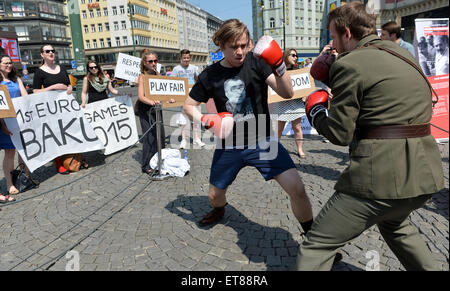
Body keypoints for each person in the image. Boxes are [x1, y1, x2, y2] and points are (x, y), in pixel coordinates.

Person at [298, 2, 444, 271]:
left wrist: (316, 111)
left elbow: (340, 134)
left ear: (347, 33)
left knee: (316, 245)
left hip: (380, 178)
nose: (333, 45)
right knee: (396, 225)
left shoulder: (350, 64)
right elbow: (382, 98)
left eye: (333, 37)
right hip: (424, 174)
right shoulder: (404, 55)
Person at [182, 19, 314, 236]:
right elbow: (188, 107)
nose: (240, 52)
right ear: (221, 45)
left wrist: (279, 66)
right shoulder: (209, 75)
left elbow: (288, 93)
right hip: (230, 144)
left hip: (262, 140)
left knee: (297, 189)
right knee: (215, 196)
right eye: (234, 47)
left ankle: (312, 236)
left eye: (244, 45)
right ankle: (220, 209)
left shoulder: (257, 62)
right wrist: (208, 121)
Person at [33, 44, 73, 175]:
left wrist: (69, 88)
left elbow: (68, 84)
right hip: (50, 109)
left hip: (65, 107)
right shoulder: (39, 72)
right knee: (55, 135)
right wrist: (52, 87)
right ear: (42, 54)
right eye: (47, 51)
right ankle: (58, 163)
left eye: (52, 51)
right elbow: (36, 91)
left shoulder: (61, 68)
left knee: (68, 132)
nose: (51, 53)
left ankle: (70, 159)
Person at [136, 49, 174, 175]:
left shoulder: (158, 75)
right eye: (150, 61)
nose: (153, 63)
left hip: (157, 110)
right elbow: (141, 96)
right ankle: (146, 165)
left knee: (160, 135)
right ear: (145, 63)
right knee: (149, 137)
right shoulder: (142, 77)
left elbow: (164, 92)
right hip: (145, 109)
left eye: (155, 61)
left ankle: (159, 161)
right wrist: (150, 101)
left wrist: (170, 99)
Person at [0, 55, 28, 196]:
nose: (9, 65)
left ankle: (23, 178)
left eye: (10, 63)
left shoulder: (16, 79)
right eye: (5, 63)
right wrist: (2, 124)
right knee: (10, 152)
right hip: (5, 121)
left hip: (20, 119)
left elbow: (24, 95)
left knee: (23, 150)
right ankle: (10, 183)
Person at [272, 48, 307, 158]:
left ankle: (300, 150)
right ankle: (275, 149)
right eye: (292, 55)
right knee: (279, 129)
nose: (295, 57)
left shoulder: (298, 70)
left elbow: (304, 86)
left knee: (297, 127)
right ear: (286, 56)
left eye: (296, 55)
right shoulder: (277, 71)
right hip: (282, 103)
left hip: (296, 103)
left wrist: (304, 94)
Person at [172, 49, 205, 149]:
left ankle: (196, 139)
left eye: (188, 58)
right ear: (181, 58)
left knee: (195, 118)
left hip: (193, 96)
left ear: (190, 58)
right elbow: (172, 82)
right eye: (184, 58)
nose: (186, 59)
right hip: (181, 96)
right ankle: (183, 140)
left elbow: (198, 80)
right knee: (183, 119)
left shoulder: (194, 68)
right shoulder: (176, 69)